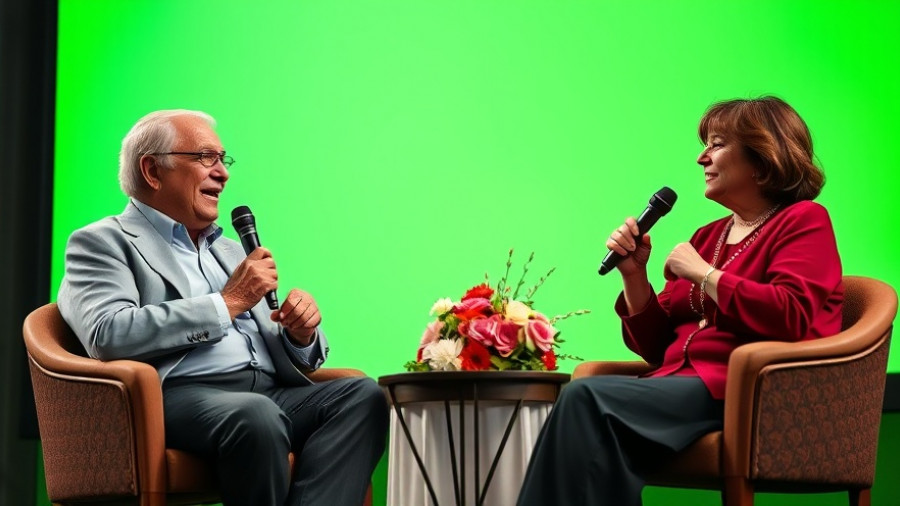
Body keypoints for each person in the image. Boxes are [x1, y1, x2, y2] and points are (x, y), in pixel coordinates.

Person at [517, 96, 843, 505]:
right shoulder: (708, 236)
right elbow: (658, 349)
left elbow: (790, 314)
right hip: (680, 386)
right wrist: (634, 275)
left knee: (584, 398)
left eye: (717, 145)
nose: (701, 158)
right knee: (595, 429)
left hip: (747, 392)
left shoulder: (803, 220)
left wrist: (704, 274)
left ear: (762, 161)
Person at [57, 110, 389, 506]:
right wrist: (227, 302)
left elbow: (270, 340)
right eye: (205, 158)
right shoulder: (102, 242)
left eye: (222, 159)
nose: (223, 173)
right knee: (257, 415)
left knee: (362, 396)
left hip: (269, 392)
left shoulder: (230, 249)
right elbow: (108, 334)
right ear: (152, 171)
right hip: (176, 396)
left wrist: (300, 335)